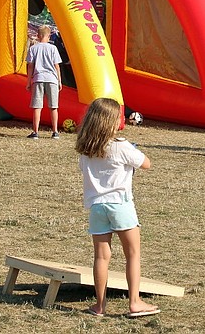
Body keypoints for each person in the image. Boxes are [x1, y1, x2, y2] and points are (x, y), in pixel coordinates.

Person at [76, 97, 159, 319]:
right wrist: (131, 148)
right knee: (132, 254)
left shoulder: (85, 150)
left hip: (97, 208)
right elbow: (146, 163)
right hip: (120, 205)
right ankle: (135, 302)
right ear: (111, 122)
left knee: (101, 257)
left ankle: (99, 305)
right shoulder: (121, 146)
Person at [26, 25, 63, 139]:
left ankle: (35, 132)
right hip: (52, 79)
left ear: (38, 36)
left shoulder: (33, 48)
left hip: (38, 79)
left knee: (37, 106)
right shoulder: (53, 48)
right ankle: (55, 131)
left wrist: (28, 82)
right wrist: (59, 81)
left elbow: (30, 66)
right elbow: (57, 66)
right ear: (48, 36)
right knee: (53, 106)